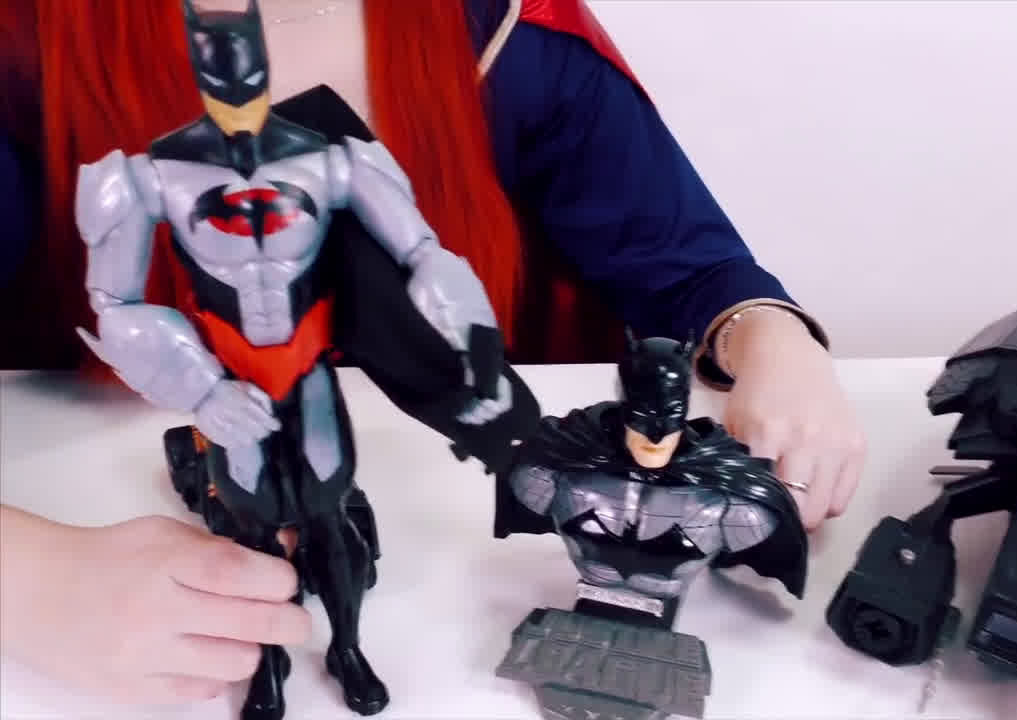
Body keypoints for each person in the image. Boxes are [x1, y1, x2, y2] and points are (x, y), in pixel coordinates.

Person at [0, 0, 866, 709]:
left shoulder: (506, 33)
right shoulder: (25, 51)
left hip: (406, 496)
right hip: (161, 432)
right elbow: (118, 306)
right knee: (255, 532)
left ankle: (343, 646)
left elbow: (683, 263)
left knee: (328, 528)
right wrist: (30, 576)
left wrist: (768, 334)